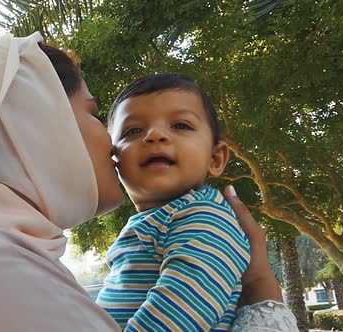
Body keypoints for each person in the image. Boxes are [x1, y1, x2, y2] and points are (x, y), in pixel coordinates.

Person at [0, 33, 296, 332]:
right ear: (34, 122)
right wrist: (260, 285)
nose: (116, 143)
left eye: (181, 126)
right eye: (96, 116)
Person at [96, 74, 249, 331]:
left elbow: (181, 314)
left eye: (180, 125)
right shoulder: (158, 220)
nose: (155, 135)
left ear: (215, 158)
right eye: (133, 130)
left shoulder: (205, 216)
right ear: (114, 161)